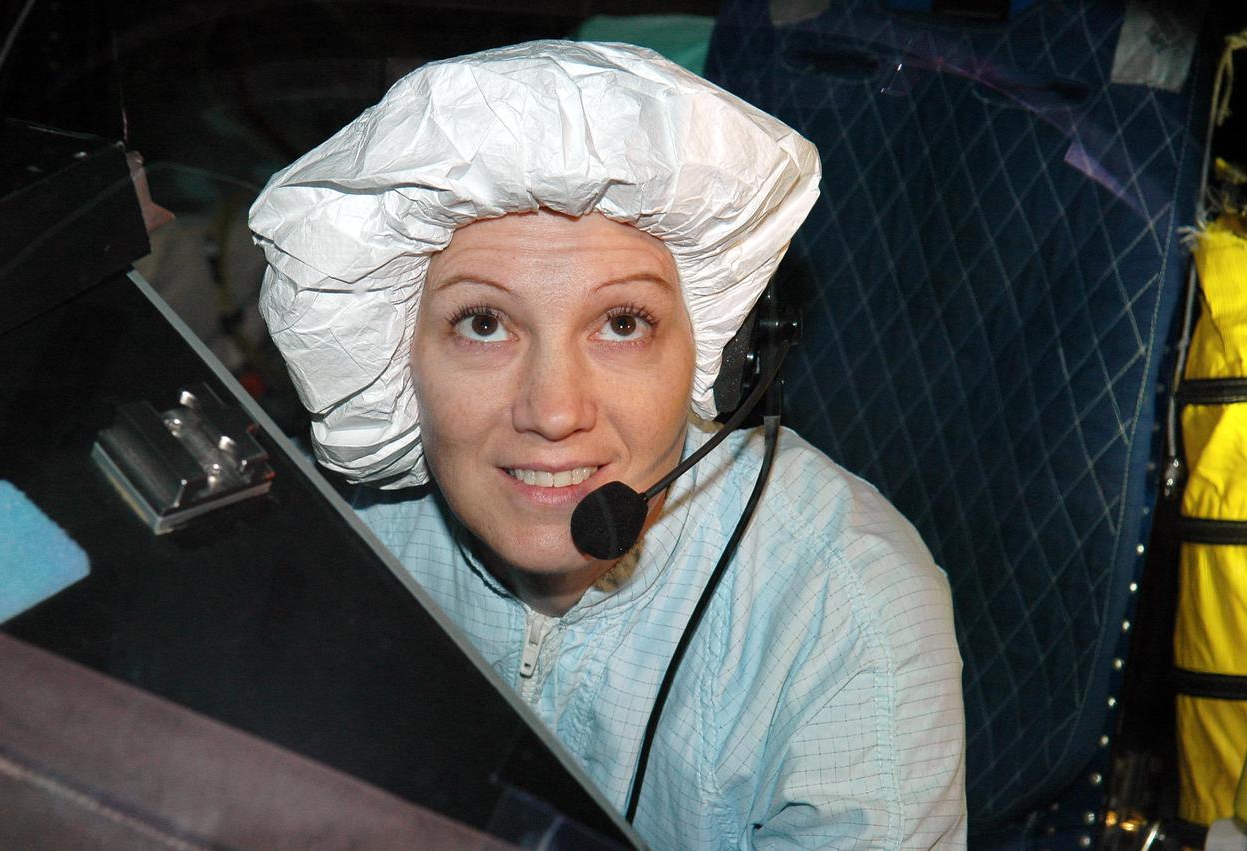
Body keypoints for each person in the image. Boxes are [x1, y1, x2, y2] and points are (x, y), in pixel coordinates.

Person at [250, 40, 966, 849]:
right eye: (483, 324)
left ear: (713, 350)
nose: (553, 412)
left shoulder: (846, 613)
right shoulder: (337, 534)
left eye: (622, 323)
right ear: (396, 353)